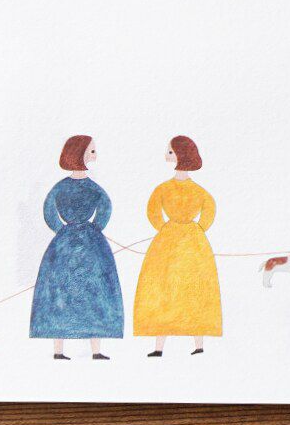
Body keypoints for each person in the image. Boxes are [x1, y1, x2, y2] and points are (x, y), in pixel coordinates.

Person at [29, 135, 123, 359]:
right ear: (80, 153)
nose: (95, 155)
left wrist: (65, 231)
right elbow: (104, 209)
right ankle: (68, 351)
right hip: (85, 241)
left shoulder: (68, 187)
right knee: (78, 292)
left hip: (70, 241)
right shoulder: (89, 188)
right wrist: (91, 229)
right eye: (92, 151)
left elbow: (51, 212)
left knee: (79, 293)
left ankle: (84, 351)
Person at [133, 135, 222, 355]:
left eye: (170, 151)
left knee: (184, 289)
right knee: (171, 288)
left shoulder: (170, 189)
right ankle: (173, 347)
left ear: (180, 155)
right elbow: (154, 211)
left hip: (176, 240)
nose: (166, 154)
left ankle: (194, 346)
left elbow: (154, 212)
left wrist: (168, 228)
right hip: (186, 240)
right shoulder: (184, 189)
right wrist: (195, 229)